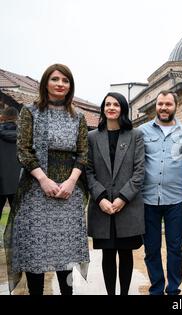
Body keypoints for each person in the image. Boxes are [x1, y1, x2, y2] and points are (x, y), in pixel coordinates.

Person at [4, 64, 90, 295]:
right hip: (36, 190)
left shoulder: (78, 116)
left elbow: (83, 153)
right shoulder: (30, 112)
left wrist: (71, 182)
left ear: (70, 86)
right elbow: (23, 150)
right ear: (46, 83)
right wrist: (44, 180)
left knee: (66, 252)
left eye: (65, 80)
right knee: (36, 252)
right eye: (55, 79)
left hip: (69, 193)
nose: (60, 84)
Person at [86, 92, 145, 295]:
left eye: (116, 104)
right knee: (108, 255)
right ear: (103, 108)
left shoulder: (135, 135)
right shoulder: (92, 137)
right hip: (101, 206)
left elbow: (139, 171)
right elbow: (88, 171)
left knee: (126, 254)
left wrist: (123, 198)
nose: (111, 107)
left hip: (127, 206)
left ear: (123, 109)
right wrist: (101, 198)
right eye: (107, 104)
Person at [139, 90, 182, 295]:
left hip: (176, 200)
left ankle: (173, 288)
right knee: (151, 249)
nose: (164, 108)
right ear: (155, 106)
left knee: (175, 248)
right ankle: (157, 288)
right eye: (160, 104)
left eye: (168, 104)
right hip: (147, 199)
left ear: (175, 106)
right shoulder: (141, 131)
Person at [0, 106, 21, 219]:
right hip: (18, 181)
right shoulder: (24, 136)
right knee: (18, 219)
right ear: (17, 118)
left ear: (2, 117)